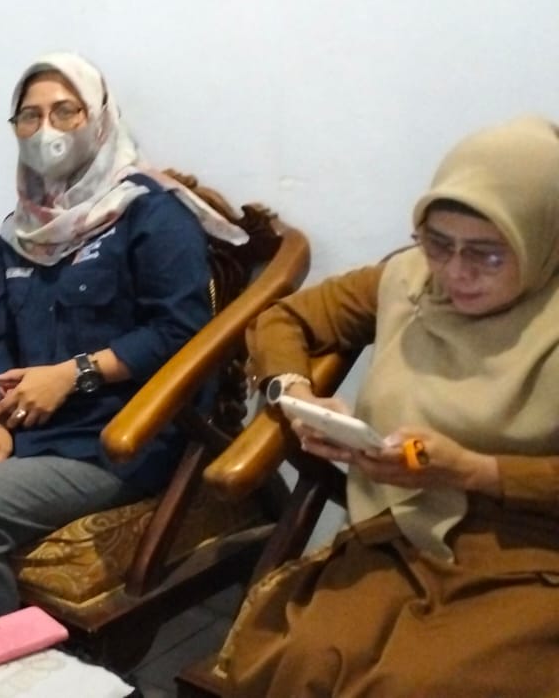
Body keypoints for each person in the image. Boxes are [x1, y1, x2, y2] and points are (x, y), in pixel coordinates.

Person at [0, 52, 246, 618]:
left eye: (65, 112)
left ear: (98, 118)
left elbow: (180, 333)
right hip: (18, 420)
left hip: (115, 434)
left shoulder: (151, 214)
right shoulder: (23, 229)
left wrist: (73, 375)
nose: (46, 130)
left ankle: (4, 661)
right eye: (29, 116)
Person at [220, 116, 559, 696]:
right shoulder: (407, 278)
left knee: (426, 682)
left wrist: (474, 470)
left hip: (529, 549)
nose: (456, 273)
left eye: (487, 254)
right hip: (400, 525)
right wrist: (295, 394)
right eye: (439, 243)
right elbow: (285, 319)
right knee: (308, 657)